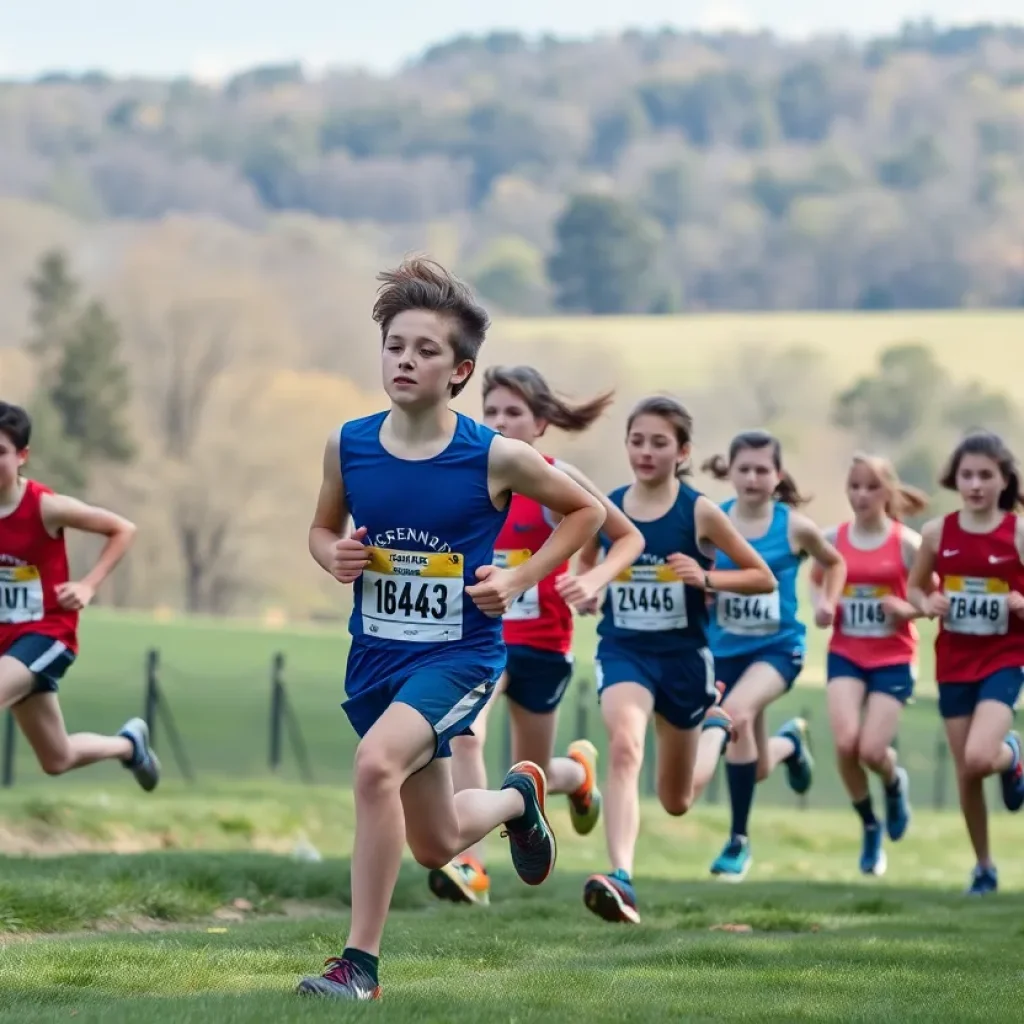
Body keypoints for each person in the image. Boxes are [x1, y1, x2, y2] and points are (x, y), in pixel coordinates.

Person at [298, 259, 606, 1000]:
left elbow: (589, 514)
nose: (405, 359)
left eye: (426, 349)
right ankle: (518, 800)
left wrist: (518, 577)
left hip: (459, 656)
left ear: (461, 370)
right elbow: (318, 529)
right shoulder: (349, 444)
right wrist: (331, 555)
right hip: (376, 657)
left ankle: (358, 968)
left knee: (375, 767)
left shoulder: (494, 454)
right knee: (436, 842)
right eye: (395, 345)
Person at [428, 365, 644, 907]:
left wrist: (591, 579)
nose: (499, 422)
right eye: (492, 410)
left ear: (541, 423)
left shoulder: (556, 477)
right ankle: (470, 865)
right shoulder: (468, 474)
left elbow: (626, 537)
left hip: (545, 643)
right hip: (481, 642)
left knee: (532, 773)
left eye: (513, 413)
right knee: (467, 734)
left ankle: (577, 774)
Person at [574, 396, 776, 924]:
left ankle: (714, 729)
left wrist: (706, 577)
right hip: (626, 653)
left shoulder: (700, 511)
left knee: (677, 800)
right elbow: (586, 561)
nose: (645, 451)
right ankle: (621, 877)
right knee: (624, 745)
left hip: (685, 661)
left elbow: (762, 577)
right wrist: (591, 590)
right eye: (637, 440)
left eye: (659, 442)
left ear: (682, 451)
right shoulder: (608, 507)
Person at [702, 430, 844, 881]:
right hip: (723, 652)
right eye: (744, 468)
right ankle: (790, 745)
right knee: (755, 764)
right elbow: (693, 571)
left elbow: (834, 562)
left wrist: (827, 602)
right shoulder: (712, 521)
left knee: (735, 714)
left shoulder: (794, 526)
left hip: (777, 649)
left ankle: (737, 841)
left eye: (763, 469)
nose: (752, 477)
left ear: (777, 476)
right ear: (731, 471)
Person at [0, 401, 159, 789]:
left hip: (46, 633)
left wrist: (88, 585)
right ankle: (129, 746)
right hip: (5, 644)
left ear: (22, 456)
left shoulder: (46, 507)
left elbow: (123, 529)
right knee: (57, 758)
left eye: (0, 453)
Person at [907, 431, 1024, 895]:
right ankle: (983, 866)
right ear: (955, 479)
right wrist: (928, 601)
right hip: (954, 660)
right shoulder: (938, 532)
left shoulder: (1016, 533)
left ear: (1003, 480)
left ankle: (1011, 753)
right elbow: (916, 588)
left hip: (1005, 656)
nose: (975, 484)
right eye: (967, 475)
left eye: (985, 475)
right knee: (966, 771)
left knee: (979, 757)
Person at [812, 455, 928, 877]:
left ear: (887, 492)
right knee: (845, 745)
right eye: (854, 486)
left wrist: (907, 610)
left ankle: (894, 782)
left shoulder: (907, 544)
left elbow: (930, 599)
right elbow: (816, 580)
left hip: (894, 656)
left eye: (870, 487)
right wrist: (823, 607)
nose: (860, 495)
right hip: (846, 652)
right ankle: (870, 826)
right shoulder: (832, 539)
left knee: (871, 750)